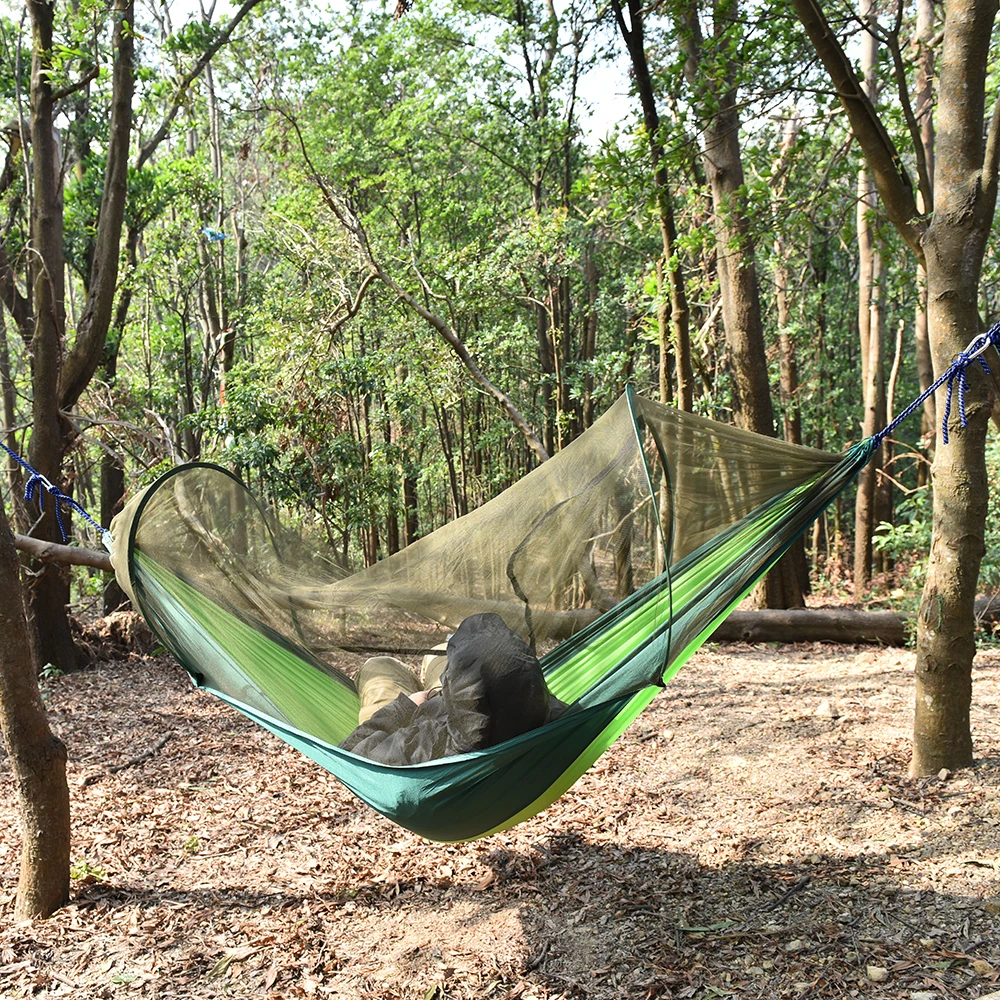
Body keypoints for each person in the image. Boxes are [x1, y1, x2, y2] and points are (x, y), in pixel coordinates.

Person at [340, 612, 568, 765]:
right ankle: (444, 670)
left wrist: (407, 705)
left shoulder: (431, 746)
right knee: (439, 652)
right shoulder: (552, 713)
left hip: (428, 717)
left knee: (379, 665)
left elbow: (351, 750)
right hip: (469, 702)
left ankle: (410, 671)